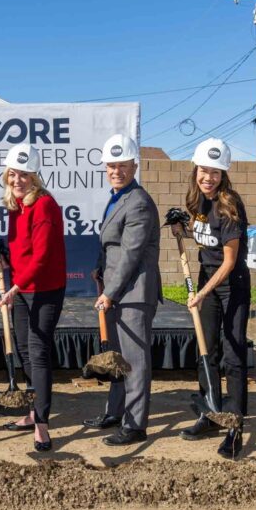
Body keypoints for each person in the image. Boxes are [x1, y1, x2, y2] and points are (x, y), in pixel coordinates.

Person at [81, 135, 163, 447]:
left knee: (134, 362)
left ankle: (135, 424)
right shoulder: (117, 198)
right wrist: (100, 268)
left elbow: (131, 254)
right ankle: (114, 412)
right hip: (116, 290)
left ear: (134, 166)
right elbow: (111, 244)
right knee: (117, 359)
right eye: (112, 166)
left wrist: (110, 292)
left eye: (123, 166)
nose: (117, 171)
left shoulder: (139, 202)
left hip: (134, 294)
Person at [176, 138, 250, 458]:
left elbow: (230, 261)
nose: (208, 177)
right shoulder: (197, 200)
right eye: (204, 171)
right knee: (207, 350)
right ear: (196, 170)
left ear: (224, 175)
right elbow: (202, 237)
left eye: (215, 173)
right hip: (208, 280)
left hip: (232, 285)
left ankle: (234, 428)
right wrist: (181, 228)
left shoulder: (229, 206)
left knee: (232, 357)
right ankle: (210, 412)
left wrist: (202, 293)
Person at [0, 143, 66, 452]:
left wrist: (15, 286)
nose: (17, 180)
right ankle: (30, 411)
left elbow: (41, 257)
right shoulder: (17, 205)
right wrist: (6, 264)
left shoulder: (44, 206)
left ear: (35, 177)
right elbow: (21, 252)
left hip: (45, 289)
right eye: (13, 174)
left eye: (24, 175)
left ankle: (42, 424)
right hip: (22, 287)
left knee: (38, 352)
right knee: (24, 348)